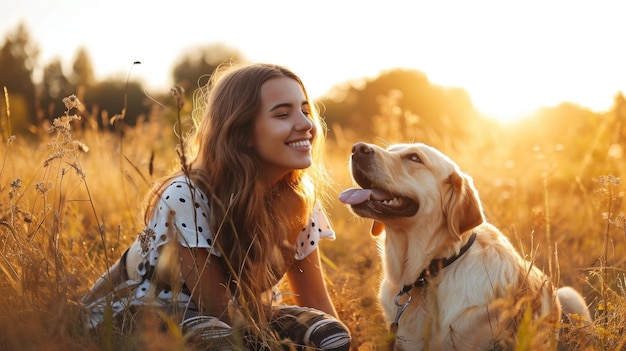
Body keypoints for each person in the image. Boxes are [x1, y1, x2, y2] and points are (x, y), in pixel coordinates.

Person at [81, 63, 351, 350]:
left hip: (237, 319)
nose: (306, 125)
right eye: (283, 114)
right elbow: (220, 312)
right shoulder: (187, 196)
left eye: (306, 111)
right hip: (141, 315)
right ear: (242, 131)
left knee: (333, 335)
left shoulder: (301, 201)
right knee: (221, 341)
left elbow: (316, 301)